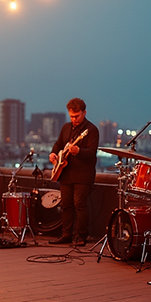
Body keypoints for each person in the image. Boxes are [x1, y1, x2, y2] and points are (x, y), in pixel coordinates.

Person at [48, 98, 99, 247]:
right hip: (66, 173)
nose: (74, 119)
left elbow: (92, 153)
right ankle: (66, 234)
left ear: (84, 113)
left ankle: (81, 236)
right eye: (71, 116)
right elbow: (58, 144)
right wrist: (53, 153)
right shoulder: (66, 128)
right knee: (66, 205)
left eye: (77, 116)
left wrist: (78, 151)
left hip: (83, 175)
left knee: (80, 205)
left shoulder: (91, 130)